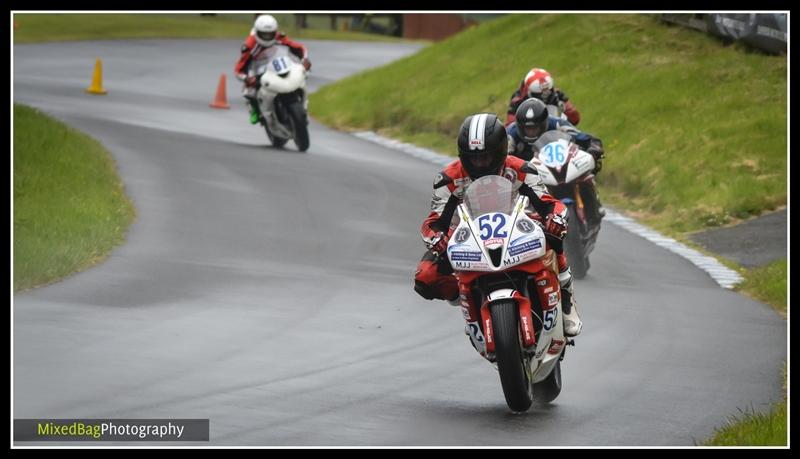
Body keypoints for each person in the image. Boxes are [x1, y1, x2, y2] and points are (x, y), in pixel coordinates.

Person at [413, 113, 583, 359]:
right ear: (463, 155)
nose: (480, 163)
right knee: (425, 277)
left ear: (501, 151)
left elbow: (548, 203)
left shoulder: (522, 169)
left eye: (486, 156)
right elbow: (434, 221)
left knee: (553, 234)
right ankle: (467, 300)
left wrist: (555, 218)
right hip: (468, 235)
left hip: (518, 226)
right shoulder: (447, 180)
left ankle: (566, 300)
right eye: (474, 158)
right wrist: (437, 239)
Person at [508, 98, 606, 219]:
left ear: (544, 123)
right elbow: (502, 153)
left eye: (535, 128)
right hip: (525, 173)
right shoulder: (511, 133)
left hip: (554, 164)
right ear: (520, 126)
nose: (531, 132)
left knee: (586, 175)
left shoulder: (557, 123)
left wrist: (593, 147)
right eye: (527, 129)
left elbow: (582, 136)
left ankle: (595, 202)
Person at [234, 14, 312, 125]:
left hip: (276, 62)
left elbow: (299, 47)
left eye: (270, 34)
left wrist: (305, 59)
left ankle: (302, 106)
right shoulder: (249, 45)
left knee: (301, 74)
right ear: (257, 32)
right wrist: (246, 78)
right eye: (264, 34)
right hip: (256, 67)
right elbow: (239, 68)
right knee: (249, 91)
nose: (267, 36)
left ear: (275, 31)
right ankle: (254, 110)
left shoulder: (279, 37)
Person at [505, 68, 581, 127]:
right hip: (530, 138)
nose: (546, 95)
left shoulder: (557, 95)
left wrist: (565, 107)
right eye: (541, 94)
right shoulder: (518, 101)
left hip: (556, 134)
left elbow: (575, 119)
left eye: (548, 91)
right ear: (530, 91)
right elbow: (510, 127)